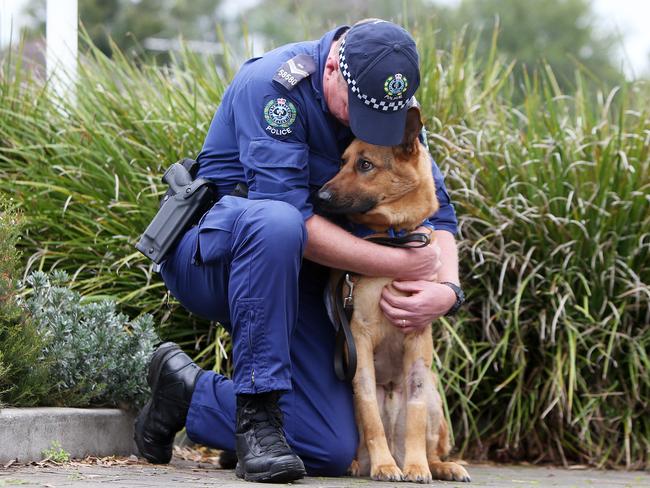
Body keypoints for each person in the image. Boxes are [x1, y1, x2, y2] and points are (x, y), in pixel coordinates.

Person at [134, 19, 463, 483]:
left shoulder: (386, 104)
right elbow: (292, 219)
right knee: (278, 222)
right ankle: (255, 412)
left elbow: (438, 215)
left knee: (329, 448)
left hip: (308, 277)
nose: (362, 126)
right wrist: (401, 262)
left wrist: (446, 290)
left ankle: (188, 394)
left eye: (379, 122)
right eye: (356, 111)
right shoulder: (275, 85)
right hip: (217, 260)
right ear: (332, 68)